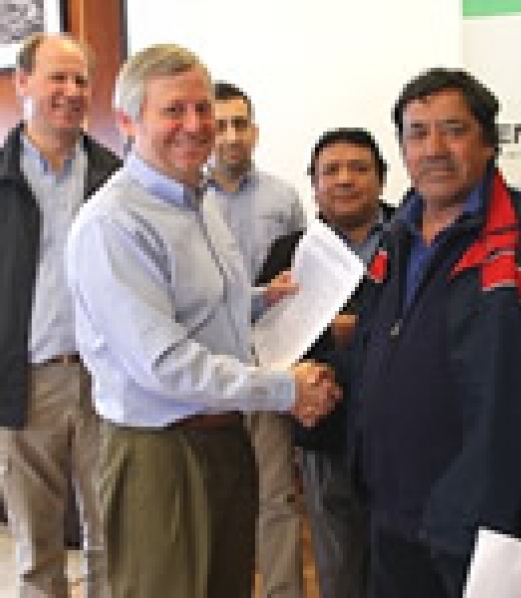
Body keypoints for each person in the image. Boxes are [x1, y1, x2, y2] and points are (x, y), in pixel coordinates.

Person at [65, 44, 340, 598]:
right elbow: (166, 364)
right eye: (173, 110)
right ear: (128, 121)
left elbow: (198, 305)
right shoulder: (112, 224)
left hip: (224, 438)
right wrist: (286, 390)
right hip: (160, 454)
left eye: (202, 108)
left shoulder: (200, 200)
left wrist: (260, 300)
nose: (195, 125)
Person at [343, 68, 521, 597]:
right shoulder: (394, 238)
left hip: (487, 526)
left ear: (489, 142)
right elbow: (381, 348)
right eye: (417, 133)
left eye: (453, 130)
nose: (434, 149)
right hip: (391, 514)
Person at [0, 33, 120, 598]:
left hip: (107, 382)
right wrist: (0, 333)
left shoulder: (116, 178)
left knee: (114, 539)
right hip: (23, 384)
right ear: (22, 82)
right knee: (37, 552)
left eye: (81, 80)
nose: (71, 91)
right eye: (57, 77)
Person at [258, 128, 394, 598]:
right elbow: (271, 340)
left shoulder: (413, 238)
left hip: (401, 429)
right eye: (330, 171)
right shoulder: (289, 252)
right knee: (338, 560)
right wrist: (329, 345)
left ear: (381, 178)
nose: (344, 179)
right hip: (326, 424)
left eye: (359, 168)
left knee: (402, 560)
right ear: (314, 184)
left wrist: (359, 329)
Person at [208, 81, 307, 598]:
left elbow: (302, 279)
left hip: (269, 362)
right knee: (211, 496)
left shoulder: (283, 199)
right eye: (220, 124)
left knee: (276, 495)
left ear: (255, 131)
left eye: (239, 124)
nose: (230, 136)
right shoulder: (186, 199)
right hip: (205, 368)